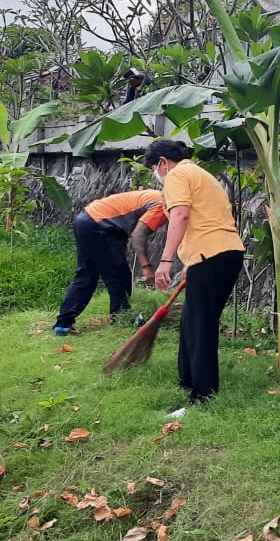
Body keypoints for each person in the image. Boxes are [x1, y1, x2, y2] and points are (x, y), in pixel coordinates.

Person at [144, 139, 244, 404]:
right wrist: (190, 263)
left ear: (163, 163)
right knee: (192, 320)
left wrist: (166, 261)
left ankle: (203, 396)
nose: (157, 175)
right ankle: (187, 380)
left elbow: (181, 216)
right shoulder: (200, 174)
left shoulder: (176, 175)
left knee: (201, 325)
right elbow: (207, 219)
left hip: (212, 254)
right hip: (223, 253)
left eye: (154, 168)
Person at [53, 189, 169, 335]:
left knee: (86, 275)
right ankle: (122, 319)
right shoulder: (163, 205)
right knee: (119, 276)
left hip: (87, 219)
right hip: (99, 226)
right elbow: (138, 235)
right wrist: (146, 267)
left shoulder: (156, 195)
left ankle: (63, 324)